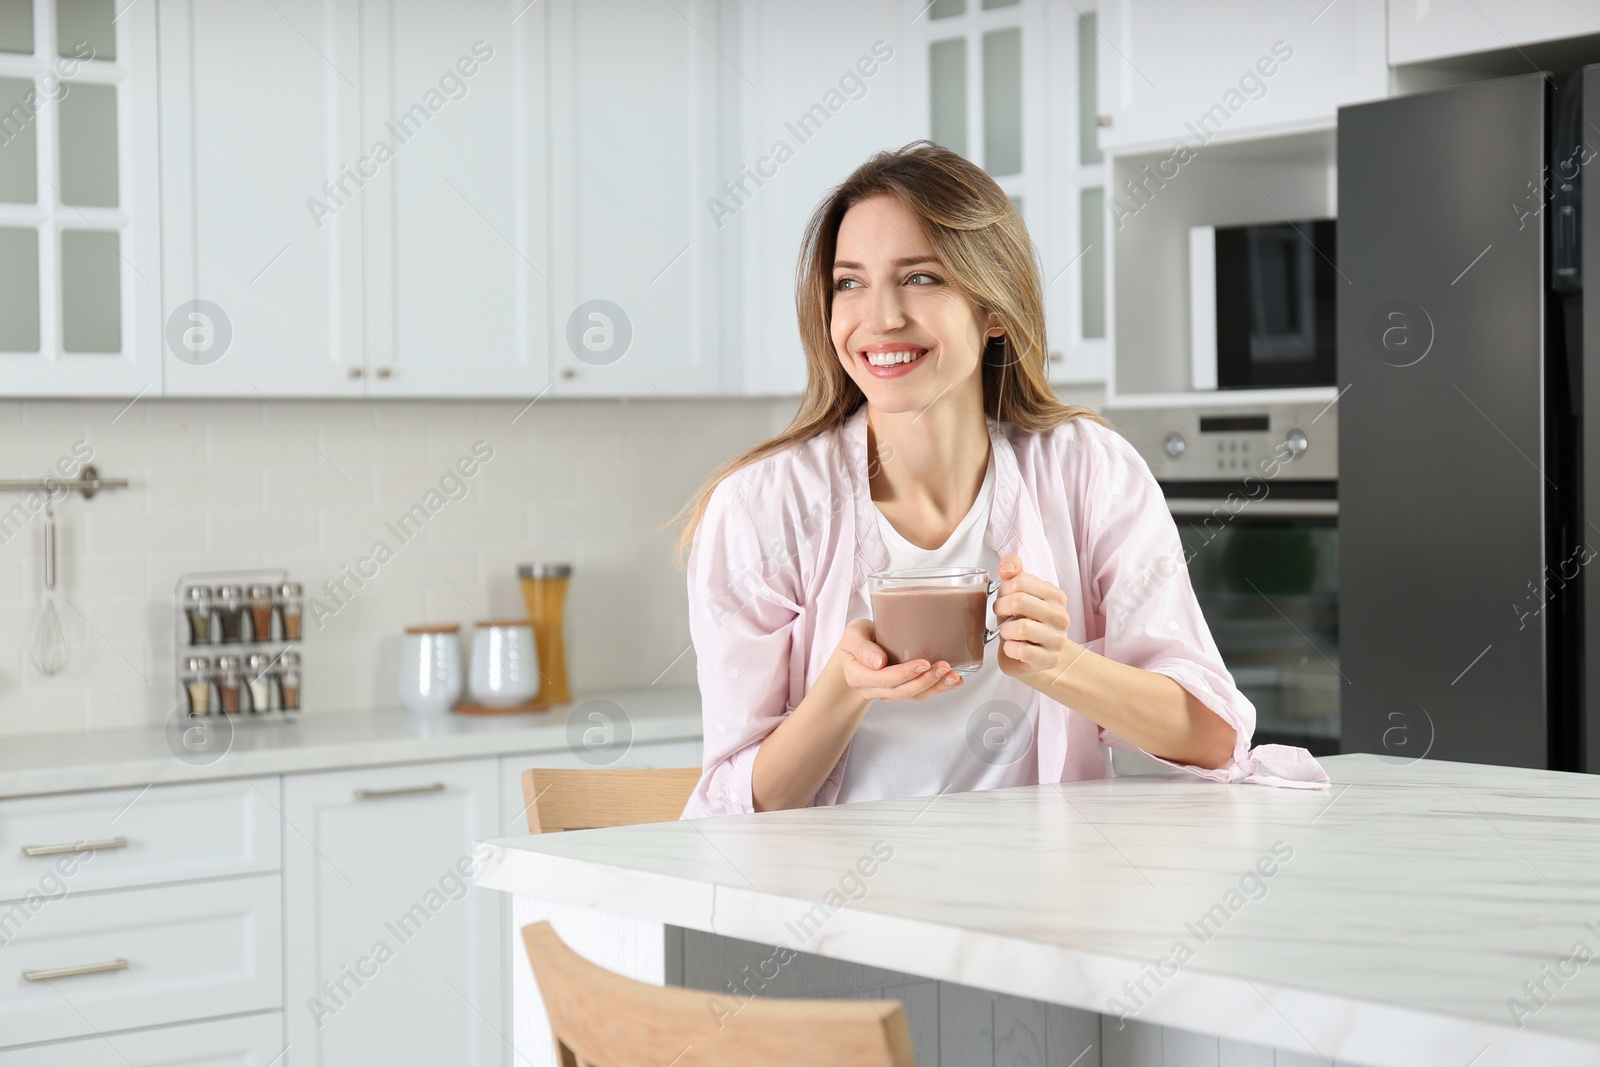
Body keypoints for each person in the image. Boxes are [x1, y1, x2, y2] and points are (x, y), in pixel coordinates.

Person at [669, 141, 1327, 818]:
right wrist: (843, 686)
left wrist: (1062, 664)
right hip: (832, 912)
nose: (880, 316)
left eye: (920, 277)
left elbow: (1216, 738)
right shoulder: (762, 508)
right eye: (849, 282)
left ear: (992, 310)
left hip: (1039, 907)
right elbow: (736, 808)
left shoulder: (1089, 471)